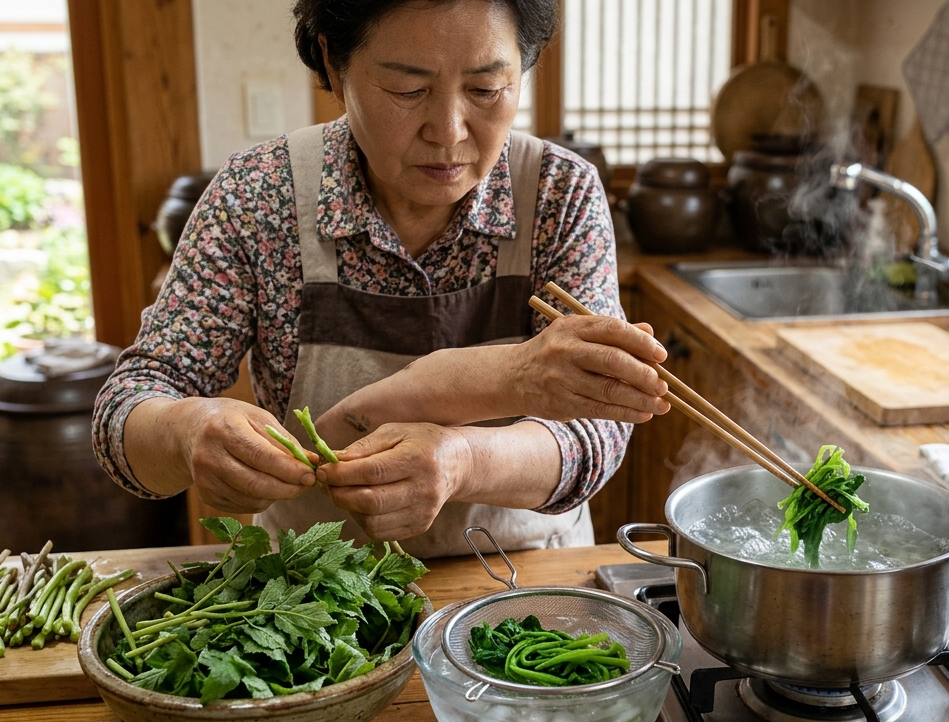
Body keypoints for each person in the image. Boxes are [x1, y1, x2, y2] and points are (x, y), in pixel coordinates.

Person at [92, 0, 669, 557]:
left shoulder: (559, 193)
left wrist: (462, 459)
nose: (447, 131)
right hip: (312, 595)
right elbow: (129, 405)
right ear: (333, 65)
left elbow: (599, 429)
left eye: (486, 89)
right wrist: (187, 432)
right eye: (407, 90)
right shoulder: (259, 196)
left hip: (521, 587)